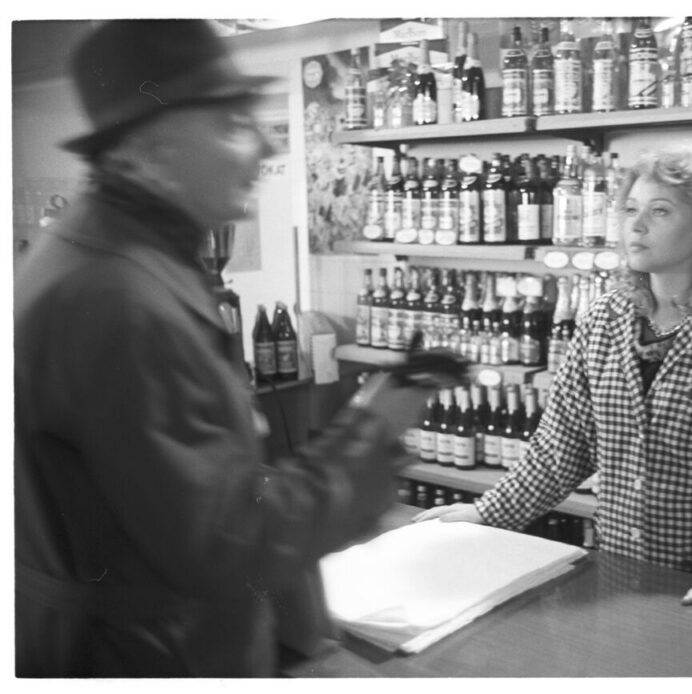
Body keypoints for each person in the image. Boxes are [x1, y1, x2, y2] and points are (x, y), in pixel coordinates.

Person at [14, 19, 462, 677]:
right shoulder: (119, 299)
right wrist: (372, 428)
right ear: (152, 146)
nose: (259, 150)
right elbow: (231, 537)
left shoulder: (118, 256)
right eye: (231, 125)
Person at [415, 150, 692, 631]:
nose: (637, 226)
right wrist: (487, 513)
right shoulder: (605, 319)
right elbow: (561, 448)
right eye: (631, 210)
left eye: (660, 211)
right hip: (617, 576)